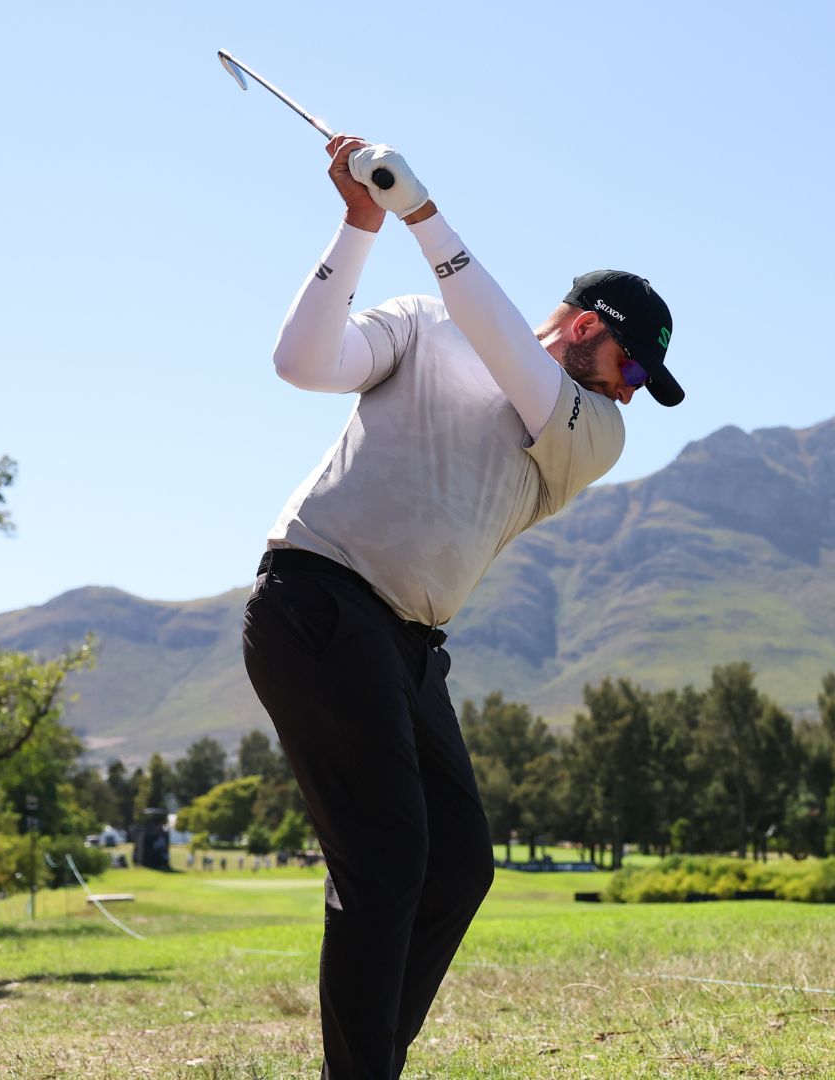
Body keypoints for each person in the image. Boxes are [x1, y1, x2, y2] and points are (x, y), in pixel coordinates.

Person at [240, 135, 679, 1079]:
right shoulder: (425, 324)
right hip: (317, 599)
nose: (628, 395)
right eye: (633, 369)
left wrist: (424, 215)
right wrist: (362, 224)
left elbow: (514, 362)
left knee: (456, 867)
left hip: (405, 645)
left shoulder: (589, 433)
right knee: (390, 863)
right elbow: (300, 361)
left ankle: (364, 1067)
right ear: (587, 326)